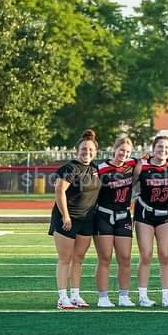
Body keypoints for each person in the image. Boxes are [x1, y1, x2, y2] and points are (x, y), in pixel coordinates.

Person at [51, 129, 102, 310]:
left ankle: (75, 295)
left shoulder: (95, 168)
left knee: (78, 259)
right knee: (65, 259)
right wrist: (65, 215)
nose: (86, 153)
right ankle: (62, 297)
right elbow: (59, 191)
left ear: (95, 152)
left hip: (86, 220)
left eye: (90, 150)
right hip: (67, 219)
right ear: (76, 151)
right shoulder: (69, 168)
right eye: (83, 150)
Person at [93, 135, 139, 307]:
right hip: (104, 214)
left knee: (125, 258)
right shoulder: (101, 168)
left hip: (123, 215)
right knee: (105, 258)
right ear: (115, 149)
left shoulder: (133, 164)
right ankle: (103, 297)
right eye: (121, 151)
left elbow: (146, 161)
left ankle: (124, 295)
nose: (124, 154)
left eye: (127, 152)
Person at [135, 136, 168, 307]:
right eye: (160, 146)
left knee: (165, 255)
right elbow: (129, 184)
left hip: (166, 212)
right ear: (153, 148)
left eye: (167, 147)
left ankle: (166, 296)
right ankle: (143, 295)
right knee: (146, 254)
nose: (163, 150)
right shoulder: (142, 165)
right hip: (145, 212)